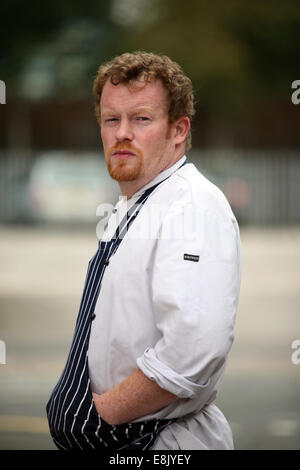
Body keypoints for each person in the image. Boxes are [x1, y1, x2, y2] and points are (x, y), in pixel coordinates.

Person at [46, 51, 241, 450]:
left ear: (178, 130)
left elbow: (192, 350)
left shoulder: (191, 206)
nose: (122, 133)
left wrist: (103, 415)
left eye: (141, 119)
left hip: (162, 444)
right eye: (111, 119)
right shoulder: (140, 203)